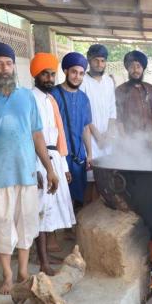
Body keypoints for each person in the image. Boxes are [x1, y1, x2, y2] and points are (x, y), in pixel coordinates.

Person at [0, 42, 58, 294]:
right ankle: (7, 275)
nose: (4, 68)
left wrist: (49, 168)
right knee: (1, 227)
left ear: (14, 66)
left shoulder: (26, 97)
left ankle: (23, 271)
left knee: (26, 225)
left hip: (26, 173)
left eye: (8, 63)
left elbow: (37, 135)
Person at [30, 52, 76, 275]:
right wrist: (37, 168)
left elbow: (58, 135)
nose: (49, 78)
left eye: (52, 74)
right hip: (38, 160)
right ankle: (43, 262)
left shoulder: (50, 99)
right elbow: (29, 135)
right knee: (41, 210)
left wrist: (64, 167)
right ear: (35, 75)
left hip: (54, 158)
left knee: (51, 210)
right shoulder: (29, 98)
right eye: (45, 74)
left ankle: (45, 256)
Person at [51, 52, 92, 209]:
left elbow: (85, 127)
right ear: (65, 71)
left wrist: (89, 154)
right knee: (58, 199)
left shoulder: (83, 98)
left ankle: (74, 231)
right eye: (74, 72)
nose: (77, 77)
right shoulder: (53, 95)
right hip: (59, 156)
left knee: (78, 199)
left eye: (81, 73)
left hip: (78, 158)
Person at [80, 44, 117, 203]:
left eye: (103, 61)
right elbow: (84, 114)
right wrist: (97, 136)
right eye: (96, 60)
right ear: (89, 59)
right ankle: (87, 215)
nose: (100, 64)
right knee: (90, 180)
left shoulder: (109, 81)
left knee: (106, 178)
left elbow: (112, 110)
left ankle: (103, 212)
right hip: (89, 138)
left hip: (106, 139)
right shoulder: (83, 82)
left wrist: (108, 134)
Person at [116, 50, 152, 144]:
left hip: (148, 138)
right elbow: (118, 118)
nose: (135, 70)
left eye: (138, 66)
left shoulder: (150, 88)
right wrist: (124, 139)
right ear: (127, 69)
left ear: (143, 69)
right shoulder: (120, 90)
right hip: (129, 140)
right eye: (132, 66)